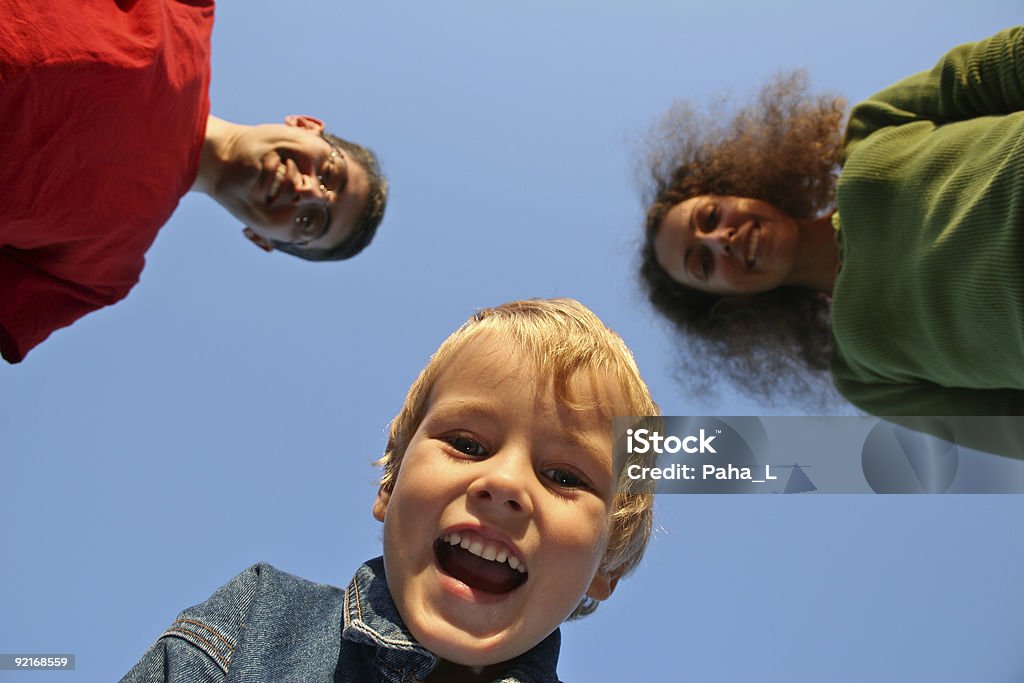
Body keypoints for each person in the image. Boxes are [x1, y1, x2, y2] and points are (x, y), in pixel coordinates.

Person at [120, 298, 660, 683]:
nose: (504, 483)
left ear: (607, 564)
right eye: (467, 444)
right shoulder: (262, 620)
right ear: (390, 483)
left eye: (566, 477)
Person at [640, 26, 1024, 416]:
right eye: (703, 262)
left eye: (710, 216)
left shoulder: (872, 128)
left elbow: (999, 65)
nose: (721, 239)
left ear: (740, 188)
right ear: (731, 303)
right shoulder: (864, 377)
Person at [0, 0, 388, 364]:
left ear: (261, 239)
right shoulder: (187, 11)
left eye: (310, 222)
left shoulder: (100, 273)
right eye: (329, 173)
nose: (307, 190)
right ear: (306, 124)